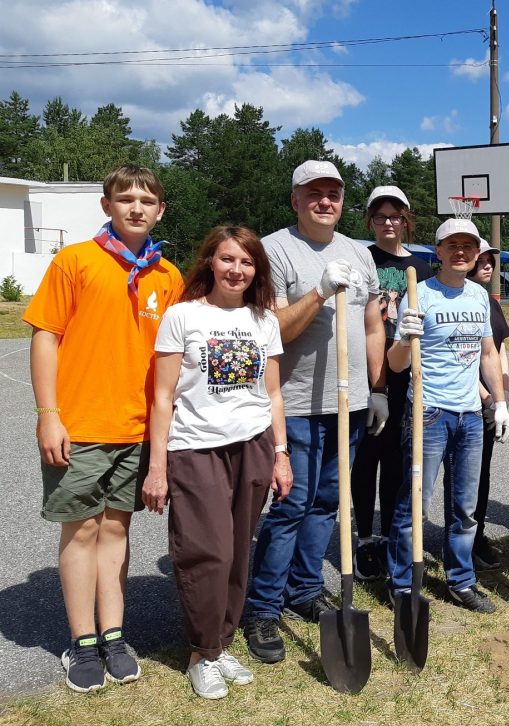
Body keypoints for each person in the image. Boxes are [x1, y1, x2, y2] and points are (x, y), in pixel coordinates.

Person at [24, 165, 183, 692]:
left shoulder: (168, 275)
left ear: (160, 210)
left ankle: (113, 634)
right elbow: (45, 336)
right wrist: (49, 415)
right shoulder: (76, 261)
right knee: (82, 529)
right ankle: (82, 641)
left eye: (147, 200)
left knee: (116, 528)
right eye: (125, 198)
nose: (136, 207)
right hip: (80, 424)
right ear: (106, 206)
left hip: (137, 429)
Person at [242, 160, 387, 664]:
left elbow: (371, 325)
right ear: (296, 200)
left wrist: (379, 386)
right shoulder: (273, 250)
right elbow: (274, 330)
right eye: (314, 194)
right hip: (296, 404)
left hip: (348, 403)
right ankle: (261, 607)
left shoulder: (357, 254)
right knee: (289, 505)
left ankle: (303, 590)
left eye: (334, 194)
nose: (326, 202)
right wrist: (320, 290)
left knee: (328, 503)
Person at [145, 226, 291, 699]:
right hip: (195, 449)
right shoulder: (182, 317)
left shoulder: (263, 320)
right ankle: (200, 652)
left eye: (246, 262)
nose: (237, 270)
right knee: (206, 553)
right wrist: (157, 466)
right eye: (228, 259)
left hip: (252, 445)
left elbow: (272, 393)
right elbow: (162, 397)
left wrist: (280, 453)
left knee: (237, 552)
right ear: (210, 261)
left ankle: (222, 643)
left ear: (256, 270)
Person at [387, 218, 509, 614]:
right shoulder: (418, 294)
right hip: (428, 413)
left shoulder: (479, 296)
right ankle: (402, 583)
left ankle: (461, 580)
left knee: (465, 506)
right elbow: (394, 364)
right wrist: (406, 338)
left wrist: (500, 400)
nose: (461, 252)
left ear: (477, 252)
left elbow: (488, 354)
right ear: (437, 251)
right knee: (415, 504)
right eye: (452, 245)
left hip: (471, 416)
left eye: (468, 246)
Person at [351, 185, 434, 582]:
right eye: (380, 216)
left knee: (399, 463)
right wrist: (374, 385)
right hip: (368, 374)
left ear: (406, 221)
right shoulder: (360, 259)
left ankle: (389, 537)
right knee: (367, 461)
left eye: (395, 216)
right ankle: (364, 539)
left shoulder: (422, 266)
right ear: (370, 221)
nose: (388, 223)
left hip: (406, 377)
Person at [466, 239, 509, 570]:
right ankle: (458, 540)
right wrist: (486, 397)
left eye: (490, 260)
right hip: (464, 401)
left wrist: (503, 400)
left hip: (489, 404)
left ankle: (475, 535)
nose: (487, 265)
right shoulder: (455, 300)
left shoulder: (489, 302)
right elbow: (463, 358)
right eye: (480, 259)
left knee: (481, 476)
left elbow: (499, 353)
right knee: (462, 478)